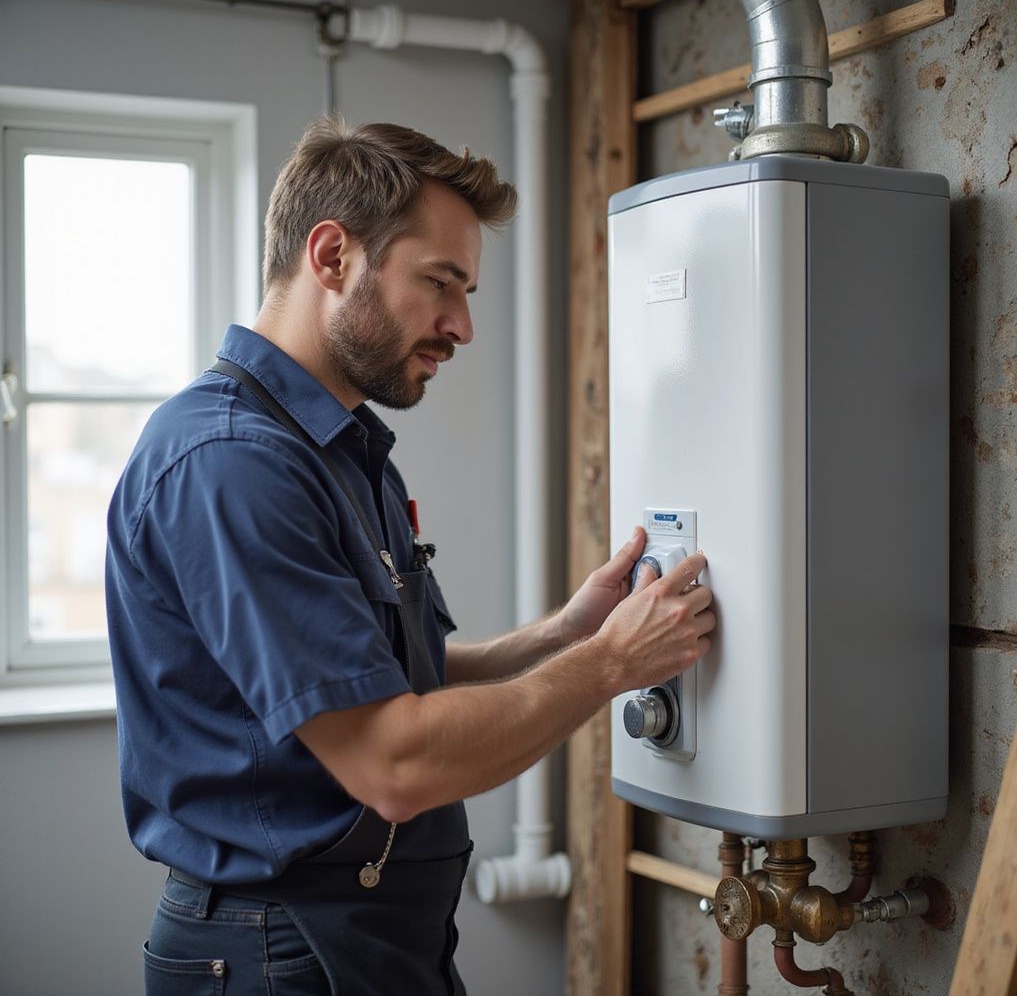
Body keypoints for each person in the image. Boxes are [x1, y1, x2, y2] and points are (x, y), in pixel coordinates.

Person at [105, 117, 716, 996]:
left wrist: (563, 635)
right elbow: (394, 762)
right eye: (440, 283)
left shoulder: (332, 446)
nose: (461, 326)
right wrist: (610, 665)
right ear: (332, 257)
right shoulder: (233, 464)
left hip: (365, 936)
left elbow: (373, 678)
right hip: (280, 952)